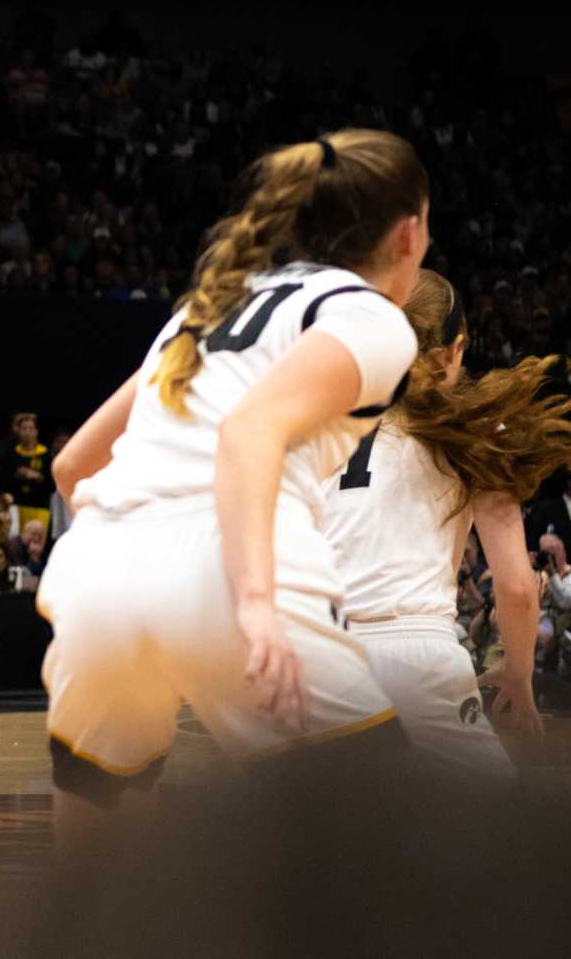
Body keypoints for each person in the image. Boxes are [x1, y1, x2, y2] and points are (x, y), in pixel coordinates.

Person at [41, 131, 430, 838]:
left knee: (92, 884)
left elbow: (73, 466)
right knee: (394, 853)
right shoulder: (370, 315)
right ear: (408, 233)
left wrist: (141, 586)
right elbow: (248, 430)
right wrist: (249, 604)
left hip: (96, 569)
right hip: (228, 569)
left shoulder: (206, 305)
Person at [322, 271, 569, 774]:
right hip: (416, 656)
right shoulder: (472, 430)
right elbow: (518, 588)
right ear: (455, 349)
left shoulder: (322, 426)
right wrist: (519, 674)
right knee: (495, 837)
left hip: (320, 661)